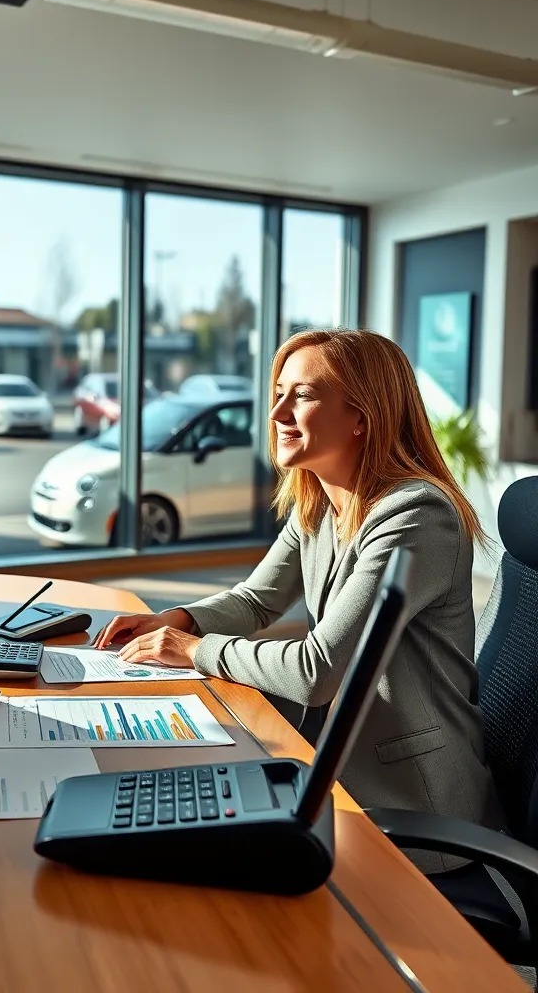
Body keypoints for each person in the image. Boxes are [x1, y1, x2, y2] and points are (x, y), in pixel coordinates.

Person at [96, 329, 504, 870]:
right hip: (336, 771)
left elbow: (317, 671)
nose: (277, 412)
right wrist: (178, 619)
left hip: (415, 809)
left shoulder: (416, 515)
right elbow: (256, 601)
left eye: (304, 395)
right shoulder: (319, 501)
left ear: (362, 415)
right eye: (279, 393)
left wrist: (192, 649)